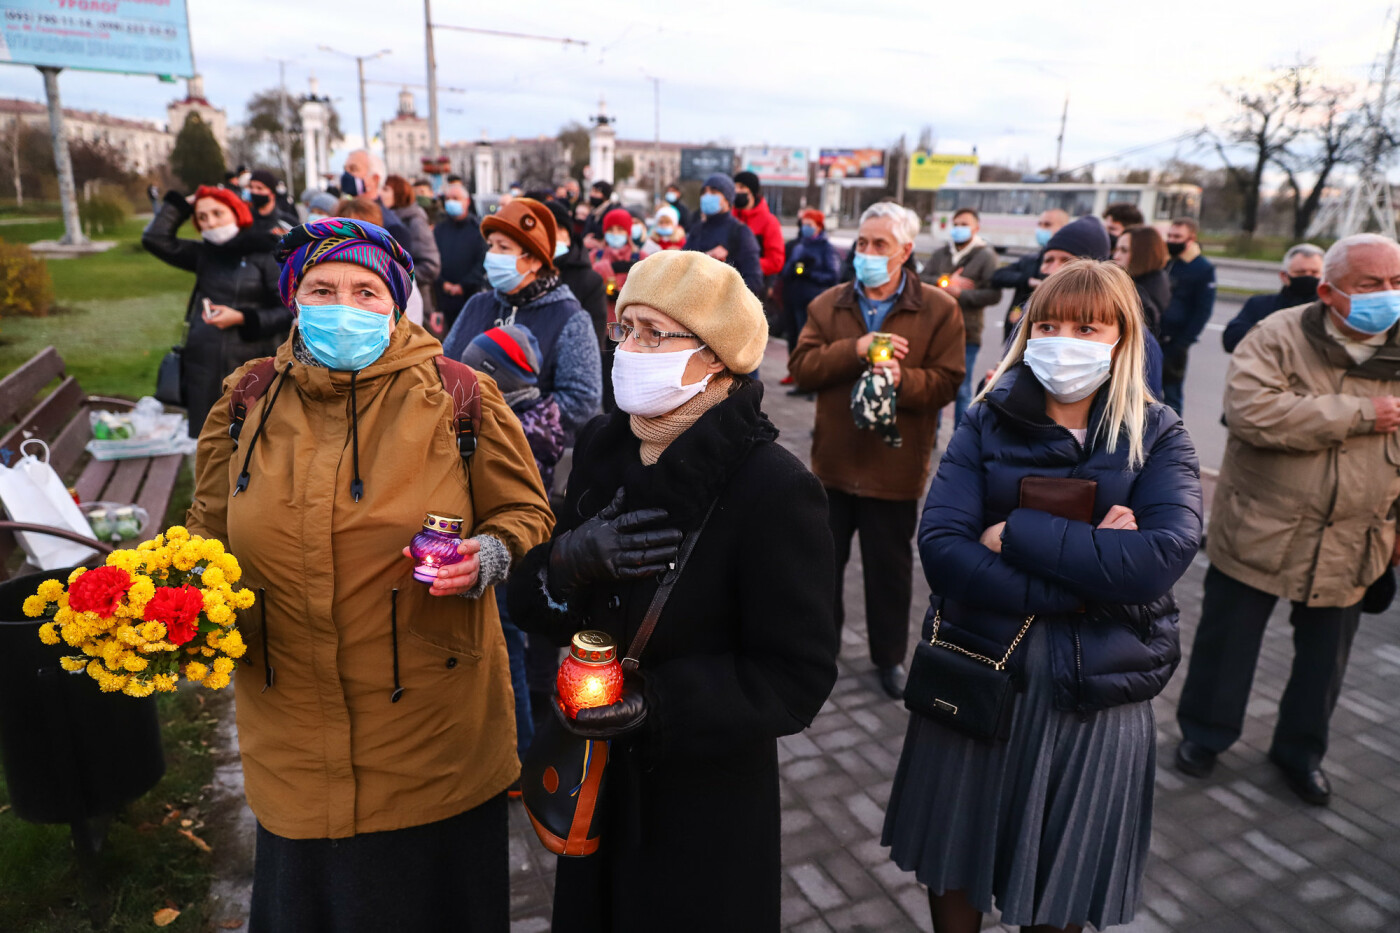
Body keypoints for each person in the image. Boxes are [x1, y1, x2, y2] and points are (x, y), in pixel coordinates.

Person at [186, 217, 554, 931]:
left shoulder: (459, 396)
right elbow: (205, 532)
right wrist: (188, 606)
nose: (343, 306)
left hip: (431, 743)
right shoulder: (245, 400)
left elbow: (525, 510)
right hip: (291, 735)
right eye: (323, 288)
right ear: (295, 298)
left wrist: (489, 557)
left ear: (396, 303)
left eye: (365, 290)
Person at [507, 249, 839, 932]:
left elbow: (795, 675)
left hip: (703, 802)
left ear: (715, 356)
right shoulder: (605, 445)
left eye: (655, 334)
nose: (629, 349)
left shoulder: (774, 488)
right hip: (593, 779)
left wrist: (654, 703)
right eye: (624, 328)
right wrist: (566, 561)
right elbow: (530, 601)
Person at [885, 259, 1202, 933]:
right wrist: (1093, 579)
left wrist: (1016, 530)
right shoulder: (985, 420)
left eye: (1088, 325)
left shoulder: (1158, 432)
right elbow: (942, 548)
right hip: (979, 667)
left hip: (1096, 692)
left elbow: (1158, 560)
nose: (1064, 339)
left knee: (1063, 874)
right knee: (955, 856)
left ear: (1121, 337)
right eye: (1049, 323)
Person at [1175, 234, 1400, 806]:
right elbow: (1251, 413)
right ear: (1327, 291)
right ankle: (1205, 735)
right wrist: (1360, 414)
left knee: (1325, 665)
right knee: (1227, 648)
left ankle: (1300, 753)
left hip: (1356, 536)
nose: (1389, 295)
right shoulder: (1278, 334)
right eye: (1372, 284)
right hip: (1262, 527)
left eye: (1398, 282)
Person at [789, 202, 966, 700]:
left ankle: (888, 658)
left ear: (906, 251)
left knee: (889, 575)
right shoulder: (829, 305)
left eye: (879, 245)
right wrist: (857, 349)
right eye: (861, 244)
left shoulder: (938, 309)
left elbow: (949, 381)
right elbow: (801, 368)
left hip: (895, 466)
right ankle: (820, 649)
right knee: (823, 567)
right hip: (833, 464)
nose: (866, 253)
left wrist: (902, 380)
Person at [460, 323, 566, 776]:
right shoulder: (540, 412)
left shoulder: (508, 427)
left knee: (508, 656)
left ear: (492, 376)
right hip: (511, 554)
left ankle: (520, 755)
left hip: (505, 557)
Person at [443, 198, 602, 443]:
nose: (492, 255)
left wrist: (509, 418)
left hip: (528, 457)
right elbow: (445, 365)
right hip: (461, 447)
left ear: (535, 260)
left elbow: (583, 400)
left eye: (504, 248)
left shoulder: (570, 317)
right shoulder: (477, 304)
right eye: (491, 245)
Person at [142, 186, 289, 437]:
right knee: (209, 439)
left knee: (251, 441)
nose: (210, 222)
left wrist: (243, 317)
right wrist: (183, 202)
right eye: (202, 217)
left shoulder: (264, 252)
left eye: (218, 213)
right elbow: (156, 240)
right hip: (204, 364)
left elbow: (287, 309)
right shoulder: (204, 254)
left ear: (236, 212)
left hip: (251, 364)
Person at [1039, 216, 1164, 398]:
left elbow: (1145, 406)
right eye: (1047, 327)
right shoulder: (1031, 316)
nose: (1052, 270)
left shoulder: (1137, 337)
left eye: (1085, 329)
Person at [922, 208, 1001, 428]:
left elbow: (994, 294)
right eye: (956, 224)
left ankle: (960, 437)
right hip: (935, 330)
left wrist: (961, 293)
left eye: (964, 224)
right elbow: (921, 279)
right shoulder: (941, 253)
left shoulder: (986, 256)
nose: (958, 228)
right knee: (934, 383)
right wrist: (944, 281)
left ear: (976, 228)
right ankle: (931, 434)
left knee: (962, 388)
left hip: (968, 330)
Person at [777, 208, 841, 388]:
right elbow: (785, 272)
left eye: (809, 225)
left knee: (807, 340)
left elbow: (833, 275)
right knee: (793, 338)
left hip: (812, 301)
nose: (805, 228)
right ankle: (795, 372)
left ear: (819, 226)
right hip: (792, 299)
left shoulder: (825, 248)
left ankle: (808, 377)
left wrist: (809, 272)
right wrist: (794, 268)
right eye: (803, 224)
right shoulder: (799, 245)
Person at [1222, 243, 1325, 352]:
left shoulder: (1331, 309)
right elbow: (1231, 340)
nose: (1308, 276)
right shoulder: (1260, 305)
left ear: (1324, 276)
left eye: (1314, 273)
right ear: (1284, 276)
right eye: (1301, 272)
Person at [1160, 216, 1217, 414]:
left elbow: (1203, 310)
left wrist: (1183, 342)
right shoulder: (1165, 261)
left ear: (1191, 239)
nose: (1172, 240)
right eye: (1170, 236)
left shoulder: (1202, 268)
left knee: (1172, 395)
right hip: (1154, 337)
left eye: (1177, 236)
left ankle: (1171, 441)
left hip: (1176, 342)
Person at [683, 173, 764, 297]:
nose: (706, 196)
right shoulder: (697, 230)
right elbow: (682, 267)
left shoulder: (740, 232)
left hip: (723, 310)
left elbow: (754, 282)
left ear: (727, 200)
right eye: (704, 192)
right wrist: (706, 258)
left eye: (714, 192)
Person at [993, 208, 1068, 342]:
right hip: (1016, 332)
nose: (1041, 229)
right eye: (1040, 224)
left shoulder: (1072, 266)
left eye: (1047, 225)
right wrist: (1027, 281)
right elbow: (997, 276)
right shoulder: (1030, 260)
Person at [434, 181, 489, 332]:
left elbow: (482, 262)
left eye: (456, 198)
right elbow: (434, 260)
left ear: (467, 201)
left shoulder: (478, 229)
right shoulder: (439, 229)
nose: (451, 202)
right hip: (444, 298)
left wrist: (463, 285)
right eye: (448, 198)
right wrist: (443, 283)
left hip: (470, 296)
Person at [1111, 225, 1171, 336]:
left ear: (1143, 254)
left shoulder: (1142, 293)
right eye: (1116, 249)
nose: (1116, 256)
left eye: (1124, 250)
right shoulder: (1146, 280)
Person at [733, 170, 786, 284]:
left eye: (741, 187)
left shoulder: (769, 222)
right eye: (735, 187)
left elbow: (776, 262)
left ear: (752, 192)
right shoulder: (729, 217)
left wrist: (746, 264)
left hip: (756, 285)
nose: (736, 191)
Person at [593, 208, 644, 313]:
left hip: (629, 321)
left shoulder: (641, 257)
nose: (615, 234)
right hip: (600, 319)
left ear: (628, 232)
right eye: (610, 230)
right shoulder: (594, 256)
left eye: (620, 229)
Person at [247, 170, 299, 235]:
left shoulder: (287, 222)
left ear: (272, 193)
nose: (254, 192)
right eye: (251, 187)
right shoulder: (245, 221)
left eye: (259, 188)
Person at [580, 180, 616, 252]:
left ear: (605, 195)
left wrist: (598, 241)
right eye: (592, 191)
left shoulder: (612, 212)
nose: (592, 195)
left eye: (596, 192)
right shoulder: (593, 212)